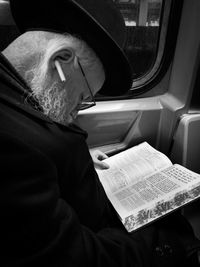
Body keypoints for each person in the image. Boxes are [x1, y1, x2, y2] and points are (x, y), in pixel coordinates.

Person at [0, 0, 199, 266]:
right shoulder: (12, 146)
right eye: (82, 98)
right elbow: (73, 257)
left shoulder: (15, 93)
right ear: (60, 60)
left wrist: (82, 160)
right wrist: (166, 244)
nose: (76, 114)